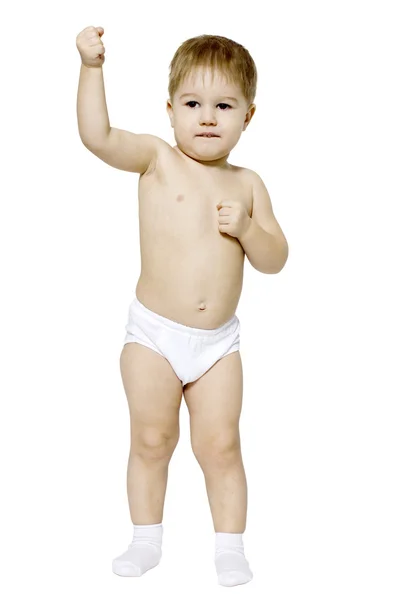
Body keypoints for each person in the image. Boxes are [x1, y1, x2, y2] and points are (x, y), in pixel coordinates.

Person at [76, 25, 289, 587]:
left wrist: (247, 229)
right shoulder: (156, 159)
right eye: (193, 104)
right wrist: (91, 67)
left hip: (218, 345)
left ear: (248, 116)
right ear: (170, 110)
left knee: (220, 444)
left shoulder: (248, 185)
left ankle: (229, 547)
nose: (208, 117)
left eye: (224, 105)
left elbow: (275, 259)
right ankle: (145, 540)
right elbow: (96, 137)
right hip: (154, 336)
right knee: (152, 439)